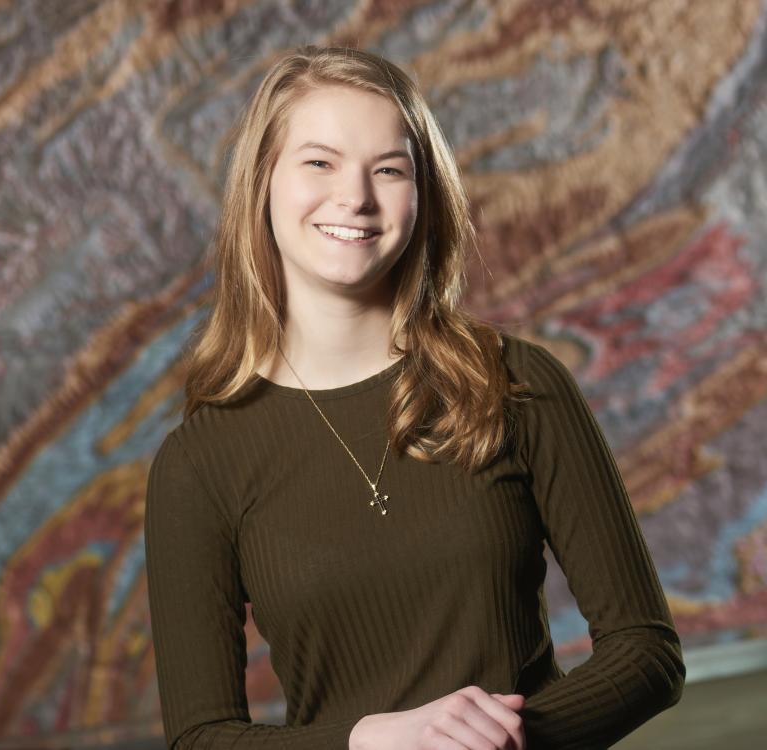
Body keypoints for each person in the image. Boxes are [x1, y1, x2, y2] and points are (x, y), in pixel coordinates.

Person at [143, 45, 684, 750]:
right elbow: (199, 739)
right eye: (319, 162)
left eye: (390, 169)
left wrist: (502, 740)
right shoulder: (197, 465)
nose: (356, 197)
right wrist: (369, 742)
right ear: (262, 183)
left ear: (424, 197)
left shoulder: (514, 384)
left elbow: (647, 654)